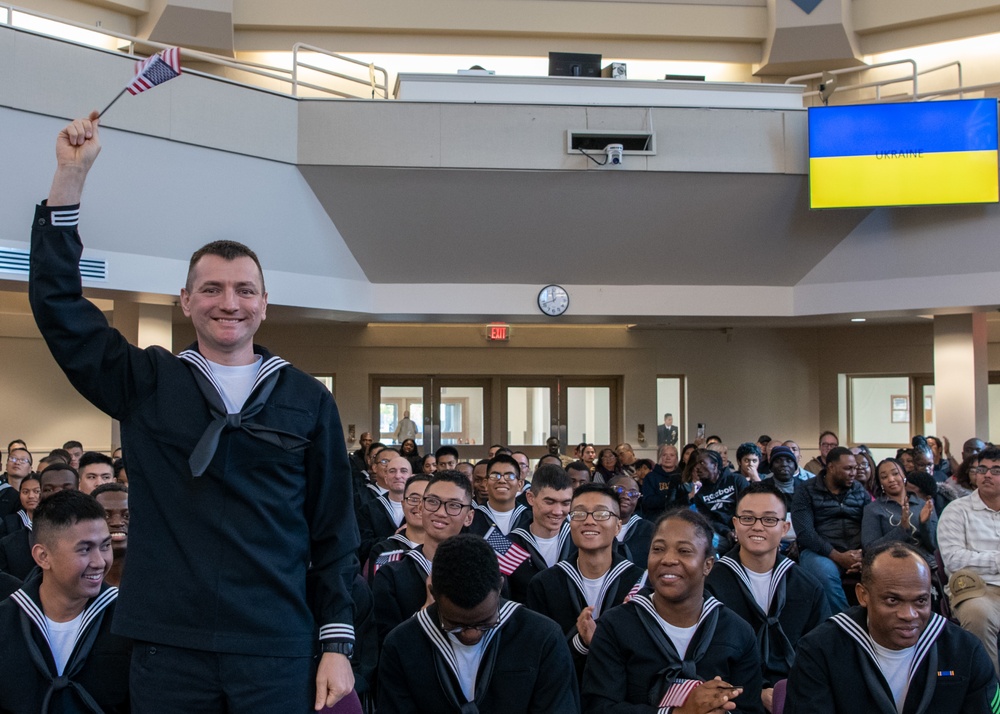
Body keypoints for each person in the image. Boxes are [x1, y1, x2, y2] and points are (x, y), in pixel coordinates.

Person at [29, 113, 359, 711]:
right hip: (167, 646)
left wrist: (335, 641)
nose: (227, 303)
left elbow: (333, 531)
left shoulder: (307, 399)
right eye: (210, 289)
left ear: (264, 305)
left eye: (243, 290)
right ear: (186, 301)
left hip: (275, 645)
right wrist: (68, 181)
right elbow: (59, 310)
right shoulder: (150, 381)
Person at [582, 509, 764, 713]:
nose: (668, 559)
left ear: (708, 565)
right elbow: (598, 707)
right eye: (658, 549)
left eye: (684, 551)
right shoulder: (615, 626)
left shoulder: (737, 632)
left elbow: (750, 709)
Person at [785, 541, 1000, 713]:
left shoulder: (966, 650)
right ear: (863, 595)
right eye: (892, 601)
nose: (909, 615)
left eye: (921, 601)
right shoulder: (819, 651)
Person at [378, 534, 581, 713]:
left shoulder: (542, 638)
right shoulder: (402, 644)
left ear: (500, 587)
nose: (471, 635)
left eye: (485, 623)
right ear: (433, 594)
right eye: (454, 625)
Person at [0, 490, 131, 713]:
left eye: (105, 546)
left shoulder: (126, 621)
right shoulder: (6, 621)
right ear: (43, 556)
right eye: (85, 549)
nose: (99, 562)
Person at [707, 482, 829, 711]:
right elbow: (708, 656)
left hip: (796, 695)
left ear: (785, 528)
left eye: (770, 519)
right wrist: (755, 692)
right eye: (748, 518)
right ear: (735, 524)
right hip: (734, 696)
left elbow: (819, 654)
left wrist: (788, 692)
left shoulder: (808, 587)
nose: (758, 527)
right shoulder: (711, 584)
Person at [527, 483, 645, 677]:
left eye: (601, 514)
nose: (589, 521)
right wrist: (580, 642)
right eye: (579, 514)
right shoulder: (544, 584)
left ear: (618, 526)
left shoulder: (639, 583)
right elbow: (537, 657)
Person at [372, 470, 475, 643]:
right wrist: (426, 610)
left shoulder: (483, 569)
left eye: (454, 505)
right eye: (433, 502)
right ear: (421, 507)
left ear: (469, 517)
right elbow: (384, 641)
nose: (441, 512)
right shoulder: (391, 574)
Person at [937, 444, 1000, 675]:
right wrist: (997, 561)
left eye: (996, 470)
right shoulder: (957, 510)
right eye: (982, 469)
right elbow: (953, 559)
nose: (987, 475)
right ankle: (990, 693)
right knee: (978, 616)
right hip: (975, 588)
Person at [791, 446, 868, 614]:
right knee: (823, 573)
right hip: (821, 552)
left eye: (855, 468)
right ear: (831, 467)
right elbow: (805, 533)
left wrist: (864, 554)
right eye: (848, 468)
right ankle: (845, 624)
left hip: (857, 551)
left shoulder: (859, 490)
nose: (853, 473)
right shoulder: (806, 490)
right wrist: (838, 556)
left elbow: (871, 525)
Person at [505, 464, 575, 603]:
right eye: (550, 502)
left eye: (565, 503)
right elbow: (501, 599)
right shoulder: (506, 545)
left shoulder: (579, 541)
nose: (558, 511)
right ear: (530, 498)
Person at [862, 458, 937, 560]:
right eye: (884, 477)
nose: (891, 479)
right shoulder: (872, 509)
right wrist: (902, 529)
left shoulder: (923, 505)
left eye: (895, 473)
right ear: (880, 483)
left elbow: (935, 547)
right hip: (890, 564)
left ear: (904, 476)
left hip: (925, 563)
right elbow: (870, 549)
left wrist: (925, 524)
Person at [365, 474, 429, 583]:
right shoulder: (384, 552)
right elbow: (381, 596)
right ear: (403, 505)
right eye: (414, 499)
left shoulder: (447, 549)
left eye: (428, 500)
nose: (420, 506)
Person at [685, 449, 749, 554]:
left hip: (744, 528)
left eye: (702, 463)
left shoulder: (736, 480)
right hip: (722, 535)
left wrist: (738, 528)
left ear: (715, 465)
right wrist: (727, 532)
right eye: (696, 464)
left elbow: (748, 507)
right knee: (700, 536)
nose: (697, 468)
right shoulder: (700, 495)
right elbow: (711, 521)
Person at [357, 454, 411, 564]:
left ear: (411, 477)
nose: (398, 475)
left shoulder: (421, 508)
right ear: (385, 478)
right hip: (380, 569)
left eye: (403, 471)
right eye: (392, 471)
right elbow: (362, 546)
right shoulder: (369, 508)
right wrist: (394, 538)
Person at [470, 453, 531, 537]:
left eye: (510, 476)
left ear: (520, 485)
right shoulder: (472, 518)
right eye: (495, 476)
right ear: (486, 484)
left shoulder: (530, 519)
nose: (502, 480)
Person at [609, 474, 654, 569]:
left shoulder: (648, 530)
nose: (626, 496)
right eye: (620, 490)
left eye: (633, 494)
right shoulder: (594, 525)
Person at [92, 482, 129, 588]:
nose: (117, 522)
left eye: (126, 515)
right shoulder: (77, 580)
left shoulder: (154, 575)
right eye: (106, 515)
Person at [639, 444, 683, 520]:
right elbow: (648, 501)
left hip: (678, 517)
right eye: (664, 455)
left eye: (672, 455)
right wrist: (670, 499)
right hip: (656, 517)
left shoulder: (682, 477)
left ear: (676, 459)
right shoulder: (650, 477)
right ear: (660, 458)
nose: (668, 458)